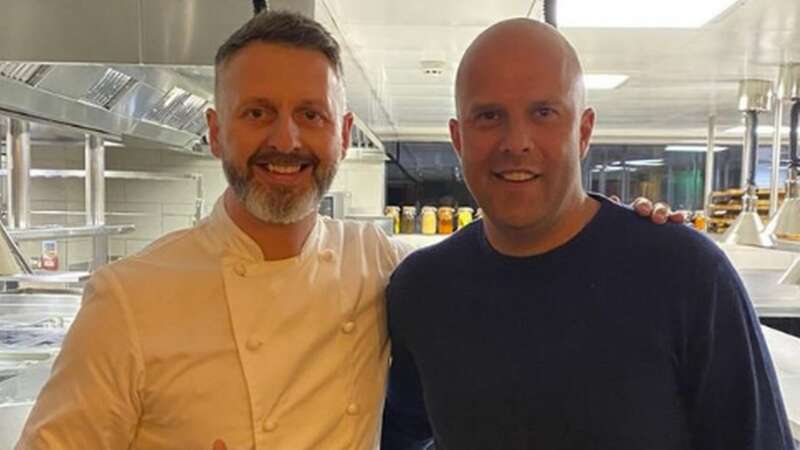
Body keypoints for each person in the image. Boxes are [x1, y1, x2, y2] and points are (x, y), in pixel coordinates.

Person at [14, 10, 681, 450]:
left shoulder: (385, 268)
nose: (286, 138)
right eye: (256, 112)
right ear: (216, 130)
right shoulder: (129, 301)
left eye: (310, 113)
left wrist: (638, 238)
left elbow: (508, 272)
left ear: (341, 132)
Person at [381, 18, 794, 450]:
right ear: (457, 138)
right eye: (488, 116)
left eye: (543, 113)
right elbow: (401, 436)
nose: (516, 141)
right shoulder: (422, 289)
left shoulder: (684, 275)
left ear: (583, 131)